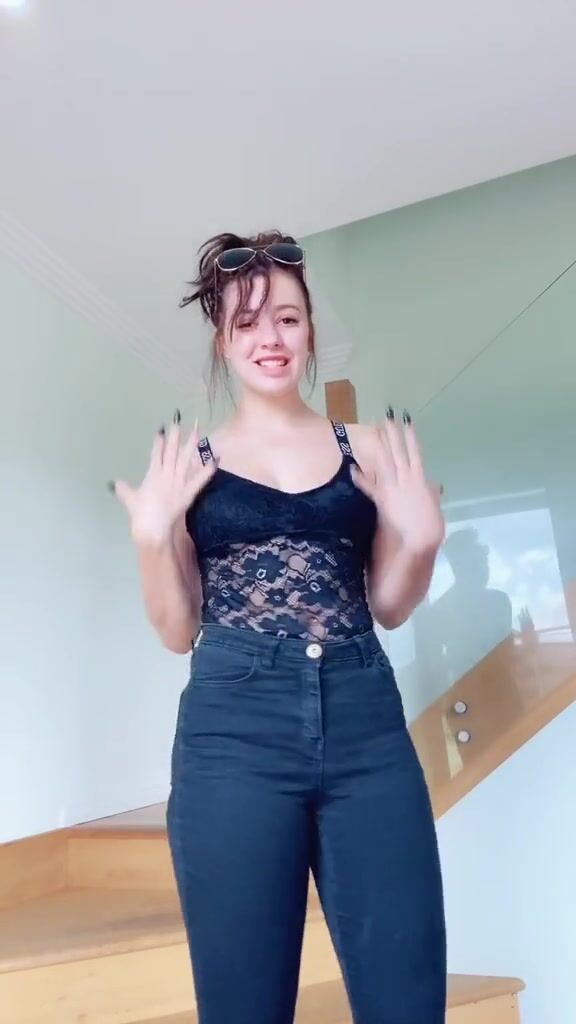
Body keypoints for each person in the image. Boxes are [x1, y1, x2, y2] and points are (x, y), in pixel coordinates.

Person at [111, 231, 447, 1024]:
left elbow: (389, 605)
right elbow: (177, 629)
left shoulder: (369, 448)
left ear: (310, 331)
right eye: (248, 322)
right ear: (222, 342)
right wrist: (152, 537)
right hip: (235, 730)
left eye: (288, 318)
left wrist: (422, 539)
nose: (271, 338)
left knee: (407, 999)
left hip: (366, 722)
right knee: (245, 1005)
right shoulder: (191, 465)